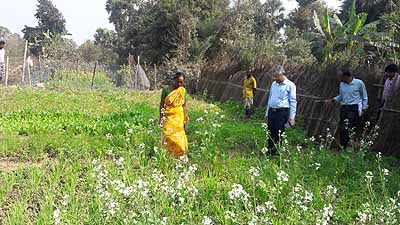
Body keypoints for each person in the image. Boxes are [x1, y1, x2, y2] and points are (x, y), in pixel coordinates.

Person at [326, 68, 368, 149]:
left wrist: (364, 108)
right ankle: (342, 146)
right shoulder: (342, 84)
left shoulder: (359, 83)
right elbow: (341, 96)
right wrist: (332, 100)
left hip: (354, 108)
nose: (339, 79)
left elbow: (364, 97)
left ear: (346, 76)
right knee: (342, 127)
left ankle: (345, 146)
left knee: (347, 126)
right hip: (344, 108)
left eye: (340, 77)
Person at [265, 66, 297, 154]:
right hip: (272, 111)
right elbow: (270, 98)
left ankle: (278, 151)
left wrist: (292, 117)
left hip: (282, 112)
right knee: (270, 131)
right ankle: (270, 150)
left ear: (283, 74)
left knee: (278, 131)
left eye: (277, 76)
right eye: (274, 76)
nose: (275, 78)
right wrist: (267, 113)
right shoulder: (273, 84)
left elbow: (293, 101)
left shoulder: (290, 85)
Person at [159, 72, 189, 159]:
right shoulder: (166, 90)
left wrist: (184, 118)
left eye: (181, 82)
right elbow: (161, 104)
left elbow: (184, 105)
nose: (179, 84)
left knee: (179, 136)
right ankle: (167, 155)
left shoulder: (182, 91)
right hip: (168, 116)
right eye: (178, 82)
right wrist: (161, 117)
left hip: (179, 117)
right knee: (168, 135)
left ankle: (179, 154)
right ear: (173, 80)